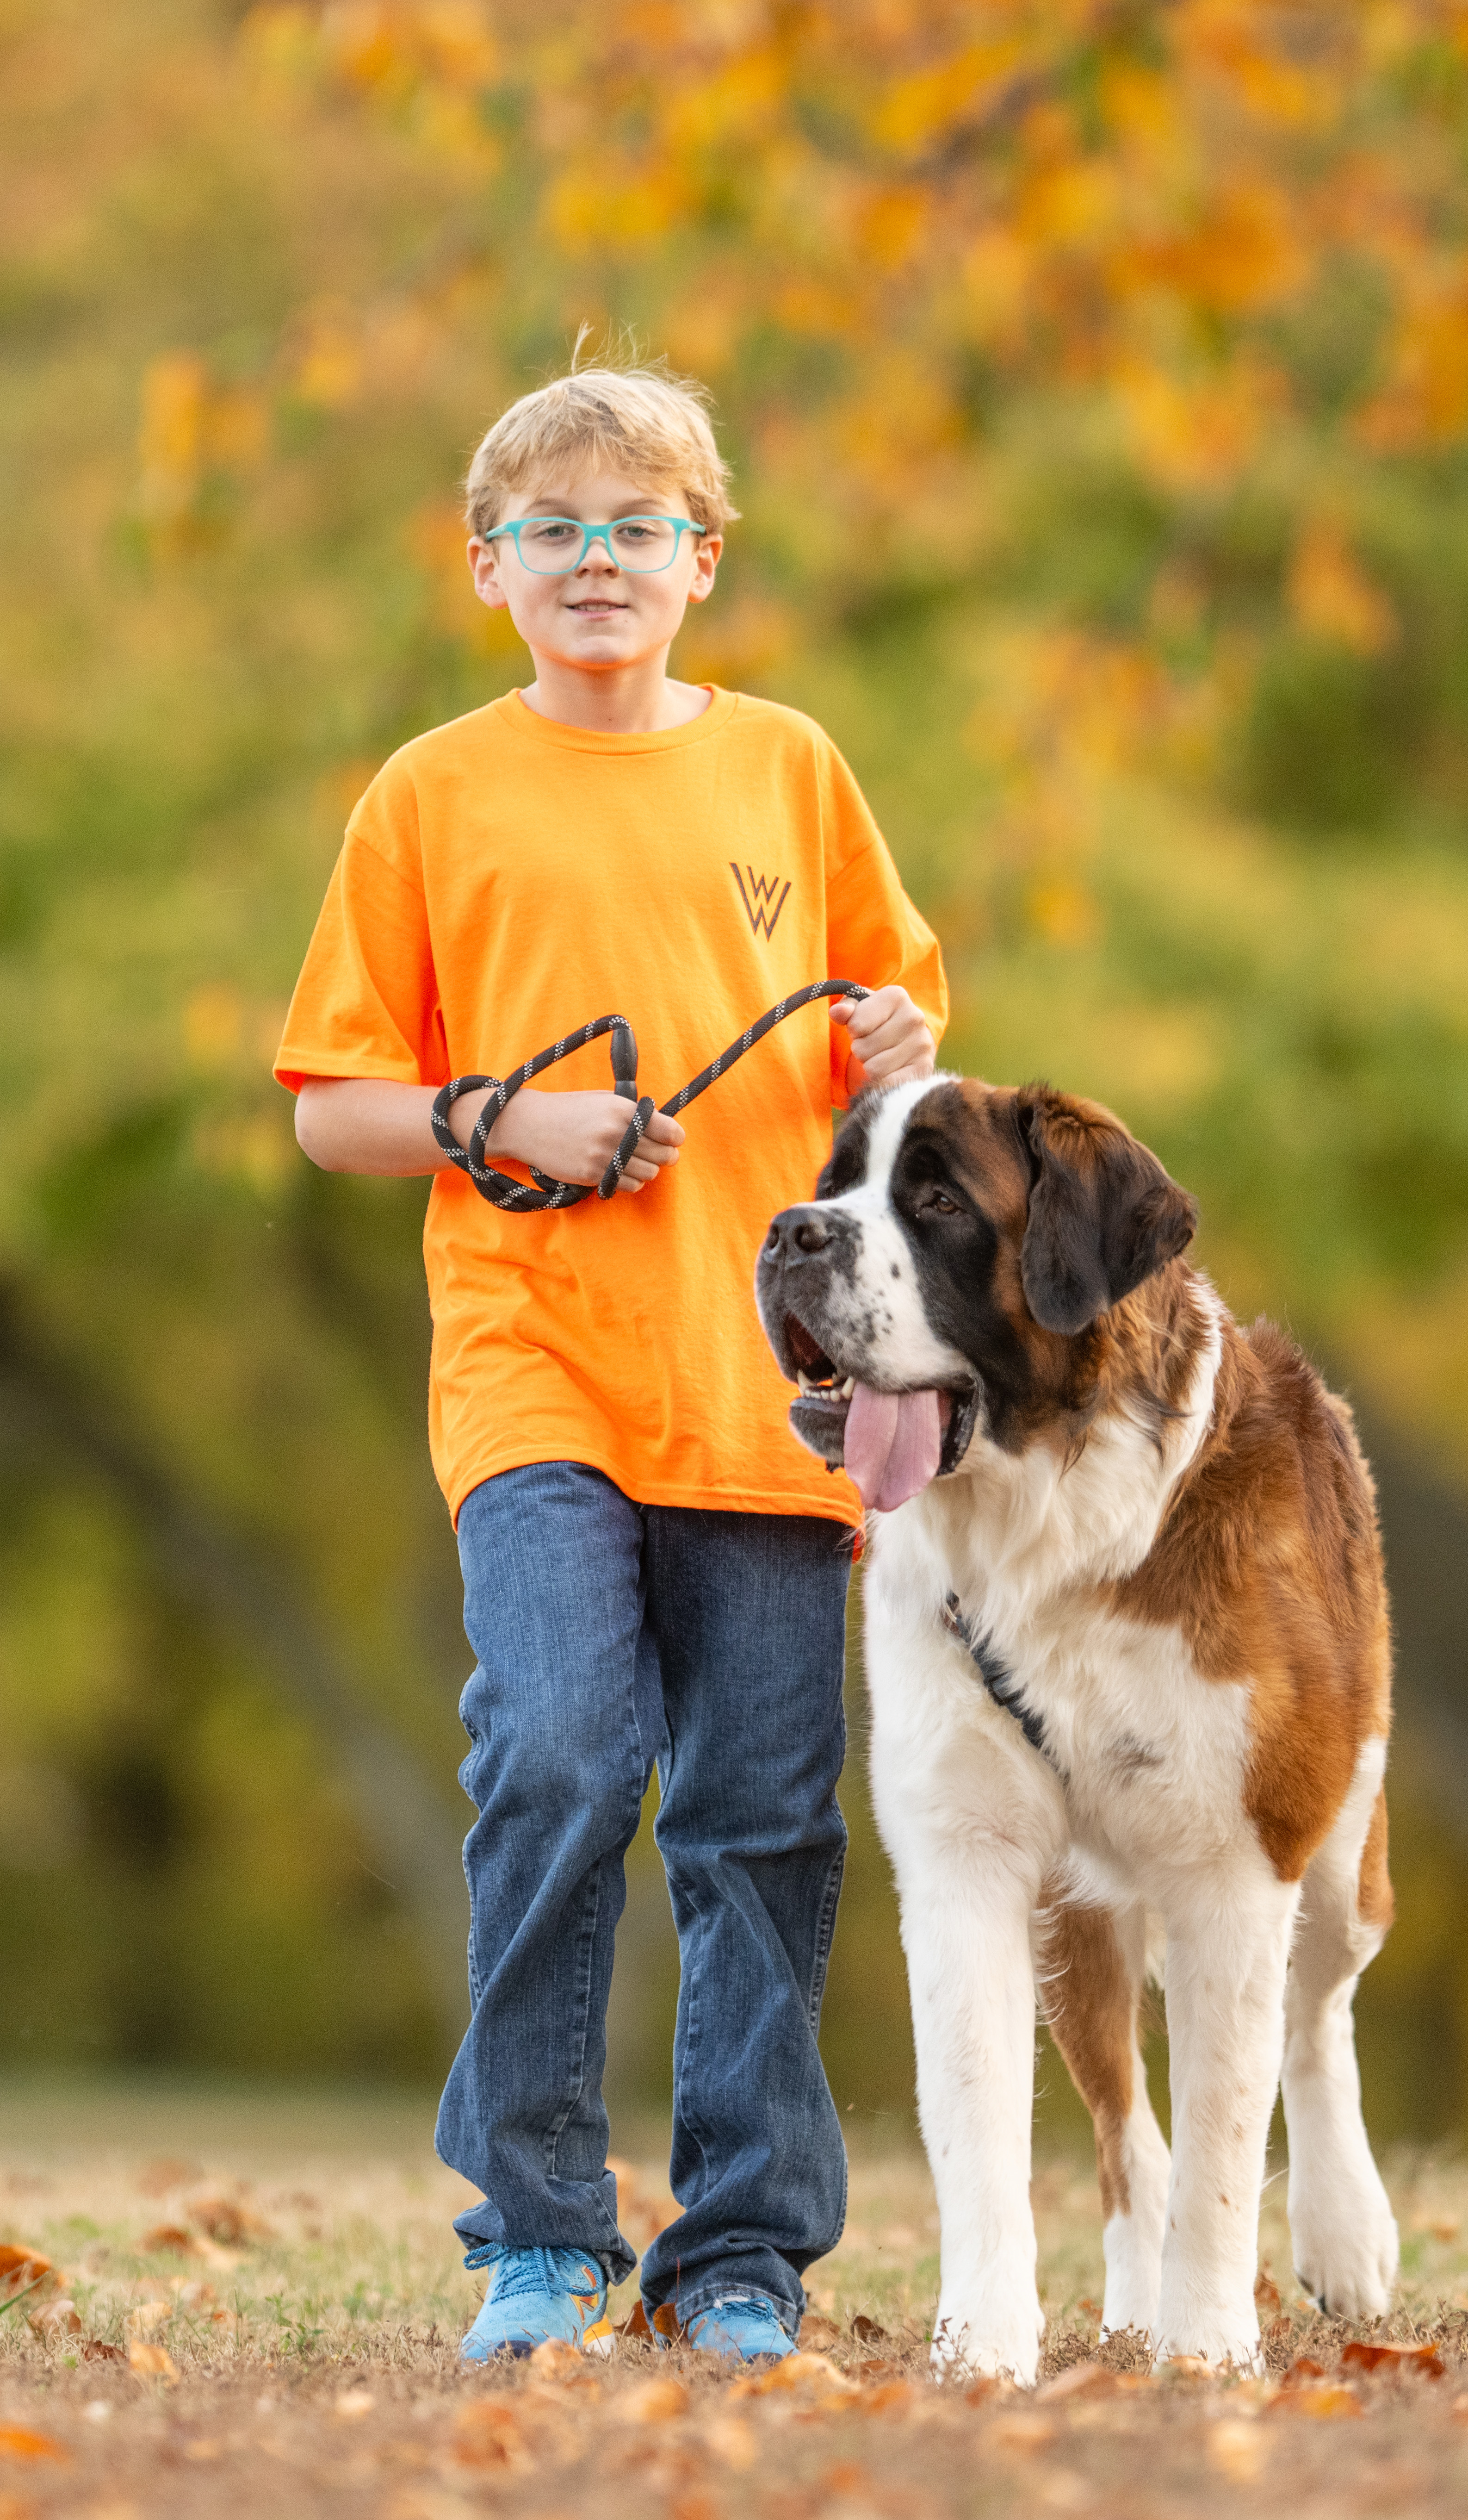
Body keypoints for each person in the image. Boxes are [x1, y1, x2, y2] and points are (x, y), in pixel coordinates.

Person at [274, 359, 947, 2366]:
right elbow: (331, 1104)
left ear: (702, 562)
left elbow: (878, 999)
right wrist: (502, 1124)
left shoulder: (792, 769)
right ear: (485, 564)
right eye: (552, 528)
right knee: (559, 1748)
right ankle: (540, 2229)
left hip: (761, 1379)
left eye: (636, 526)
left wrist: (885, 1049)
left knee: (759, 1815)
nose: (595, 558)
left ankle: (737, 2252)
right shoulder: (429, 794)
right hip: (531, 1363)